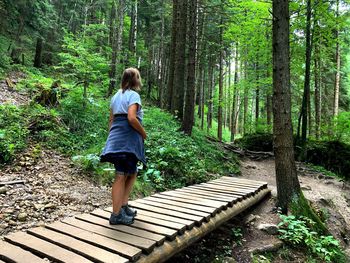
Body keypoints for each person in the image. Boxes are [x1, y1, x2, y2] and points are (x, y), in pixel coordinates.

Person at [100, 67, 147, 225]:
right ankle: (116, 214)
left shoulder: (115, 96)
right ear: (135, 80)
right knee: (121, 175)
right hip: (129, 137)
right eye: (138, 77)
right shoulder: (134, 95)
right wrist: (143, 133)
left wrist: (111, 138)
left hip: (117, 136)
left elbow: (111, 120)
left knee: (131, 173)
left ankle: (123, 206)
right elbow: (132, 118)